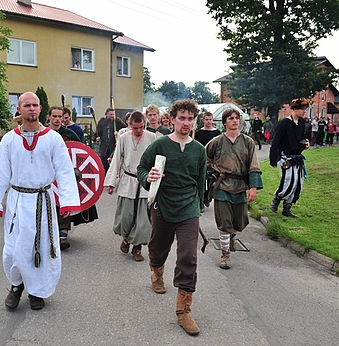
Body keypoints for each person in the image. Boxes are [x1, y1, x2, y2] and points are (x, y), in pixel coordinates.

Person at [0, 92, 81, 311]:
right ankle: (16, 286)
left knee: (43, 247)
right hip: (17, 201)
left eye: (35, 105)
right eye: (27, 105)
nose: (31, 109)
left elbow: (64, 171)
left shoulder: (53, 139)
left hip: (43, 202)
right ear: (19, 109)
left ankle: (38, 291)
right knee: (14, 248)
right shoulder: (9, 139)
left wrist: (68, 202)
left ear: (40, 108)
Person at [137, 99, 206, 336]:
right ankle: (157, 270)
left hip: (188, 208)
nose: (186, 123)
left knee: (188, 256)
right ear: (172, 119)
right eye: (182, 118)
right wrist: (150, 176)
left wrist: (199, 205)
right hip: (163, 205)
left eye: (190, 119)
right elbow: (142, 169)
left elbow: (200, 181)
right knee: (157, 248)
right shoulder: (160, 145)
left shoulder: (199, 149)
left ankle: (183, 310)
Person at [206, 108, 263, 270]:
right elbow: (205, 157)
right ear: (224, 122)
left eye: (237, 118)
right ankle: (225, 254)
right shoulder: (216, 141)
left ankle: (231, 236)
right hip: (222, 186)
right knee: (224, 222)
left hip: (240, 186)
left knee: (240, 221)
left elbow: (253, 165)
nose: (234, 120)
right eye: (230, 118)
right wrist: (213, 172)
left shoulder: (248, 142)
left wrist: (253, 187)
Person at [104, 111, 157, 262]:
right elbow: (116, 160)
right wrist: (111, 183)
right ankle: (126, 238)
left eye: (141, 127)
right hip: (128, 180)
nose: (139, 131)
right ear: (130, 125)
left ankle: (137, 248)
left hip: (144, 182)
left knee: (142, 220)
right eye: (135, 128)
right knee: (126, 217)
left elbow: (156, 161)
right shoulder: (123, 138)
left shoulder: (152, 138)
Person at [269, 97, 310, 218]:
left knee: (297, 184)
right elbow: (275, 142)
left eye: (305, 109)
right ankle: (277, 199)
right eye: (302, 109)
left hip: (297, 157)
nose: (304, 112)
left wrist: (305, 143)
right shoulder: (284, 123)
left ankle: (287, 208)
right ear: (295, 109)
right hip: (286, 158)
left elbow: (301, 137)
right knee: (288, 182)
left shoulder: (302, 122)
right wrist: (273, 159)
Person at [47, 106, 82, 250]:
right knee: (49, 204)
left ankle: (63, 235)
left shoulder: (70, 134)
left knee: (63, 203)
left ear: (63, 117)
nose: (57, 119)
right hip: (47, 175)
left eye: (59, 116)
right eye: (54, 116)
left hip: (65, 174)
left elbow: (80, 153)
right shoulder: (43, 134)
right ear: (48, 117)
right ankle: (48, 233)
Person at [95, 108, 126, 173]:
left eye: (113, 114)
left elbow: (125, 129)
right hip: (104, 147)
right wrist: (97, 137)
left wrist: (118, 133)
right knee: (103, 163)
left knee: (112, 162)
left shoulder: (117, 121)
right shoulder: (102, 121)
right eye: (110, 114)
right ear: (106, 114)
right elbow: (98, 131)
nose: (112, 116)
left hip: (113, 146)